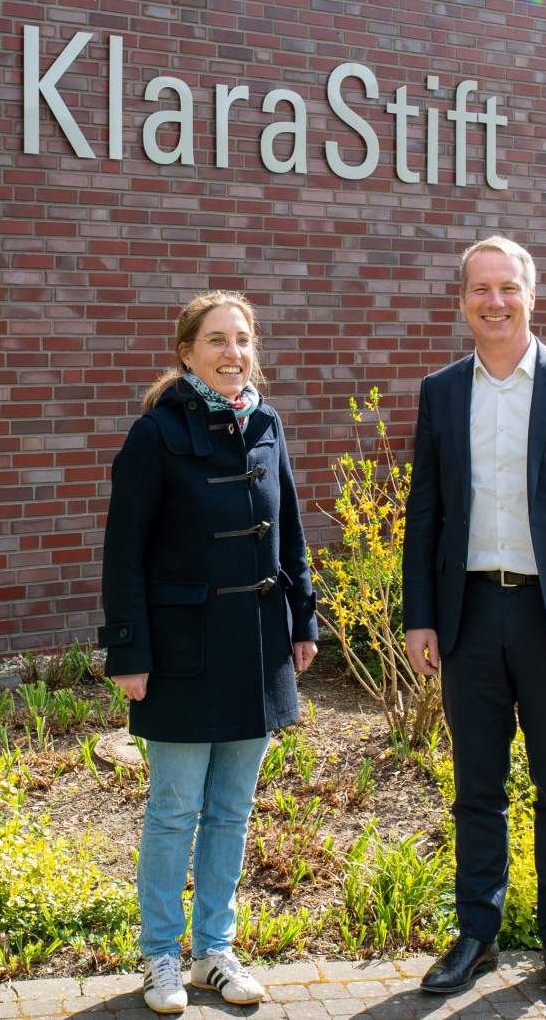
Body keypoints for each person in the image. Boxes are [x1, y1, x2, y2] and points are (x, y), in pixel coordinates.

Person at [403, 236, 546, 1005]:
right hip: (469, 612)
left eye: (508, 287)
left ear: (532, 294)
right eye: (480, 289)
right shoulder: (441, 392)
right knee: (477, 785)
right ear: (461, 299)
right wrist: (420, 617)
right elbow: (426, 513)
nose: (494, 301)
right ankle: (477, 934)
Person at [99, 291, 318, 1014]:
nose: (233, 353)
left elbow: (289, 533)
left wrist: (303, 621)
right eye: (217, 340)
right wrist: (128, 651)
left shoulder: (266, 423)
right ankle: (161, 955)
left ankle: (213, 952)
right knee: (172, 810)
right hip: (182, 652)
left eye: (243, 339)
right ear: (186, 351)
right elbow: (123, 553)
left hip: (258, 649)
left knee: (231, 810)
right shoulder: (155, 435)